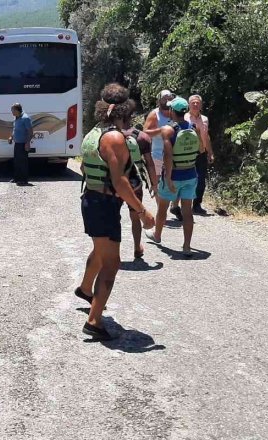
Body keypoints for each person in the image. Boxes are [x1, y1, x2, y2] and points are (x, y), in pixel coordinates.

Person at [75, 83, 155, 340]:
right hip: (104, 205)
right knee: (112, 263)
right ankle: (94, 320)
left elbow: (86, 170)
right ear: (125, 112)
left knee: (101, 252)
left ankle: (86, 289)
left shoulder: (92, 134)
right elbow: (120, 181)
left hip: (91, 200)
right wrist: (142, 211)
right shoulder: (114, 138)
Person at [147, 96, 201, 256]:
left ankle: (157, 236)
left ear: (172, 111)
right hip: (191, 174)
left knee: (162, 208)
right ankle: (186, 246)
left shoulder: (169, 130)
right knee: (187, 211)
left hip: (174, 175)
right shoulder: (193, 128)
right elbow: (200, 148)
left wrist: (169, 178)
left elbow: (168, 157)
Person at [121, 126, 157, 259]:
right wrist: (154, 184)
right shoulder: (142, 137)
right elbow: (150, 163)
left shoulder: (109, 134)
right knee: (135, 216)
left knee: (113, 216)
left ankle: (110, 249)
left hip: (114, 180)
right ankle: (137, 247)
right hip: (134, 182)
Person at [185, 95, 214, 214]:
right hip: (187, 153)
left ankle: (197, 205)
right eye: (193, 103)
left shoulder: (205, 119)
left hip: (201, 153)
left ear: (201, 105)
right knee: (187, 179)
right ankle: (183, 204)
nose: (195, 105)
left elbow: (206, 136)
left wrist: (210, 152)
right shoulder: (184, 118)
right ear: (189, 105)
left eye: (198, 103)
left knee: (201, 179)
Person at [143, 90, 175, 180]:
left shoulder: (175, 112)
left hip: (174, 155)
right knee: (158, 182)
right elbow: (145, 132)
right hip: (158, 154)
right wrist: (161, 130)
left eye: (169, 99)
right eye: (164, 99)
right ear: (159, 101)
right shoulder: (154, 114)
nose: (167, 101)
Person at [8, 103, 33, 185]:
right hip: (17, 144)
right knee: (17, 162)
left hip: (23, 144)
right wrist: (11, 137)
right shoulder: (17, 118)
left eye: (13, 110)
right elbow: (15, 130)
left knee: (23, 163)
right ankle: (17, 178)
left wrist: (28, 143)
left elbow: (30, 132)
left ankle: (24, 180)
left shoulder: (25, 118)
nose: (12, 112)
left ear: (17, 110)